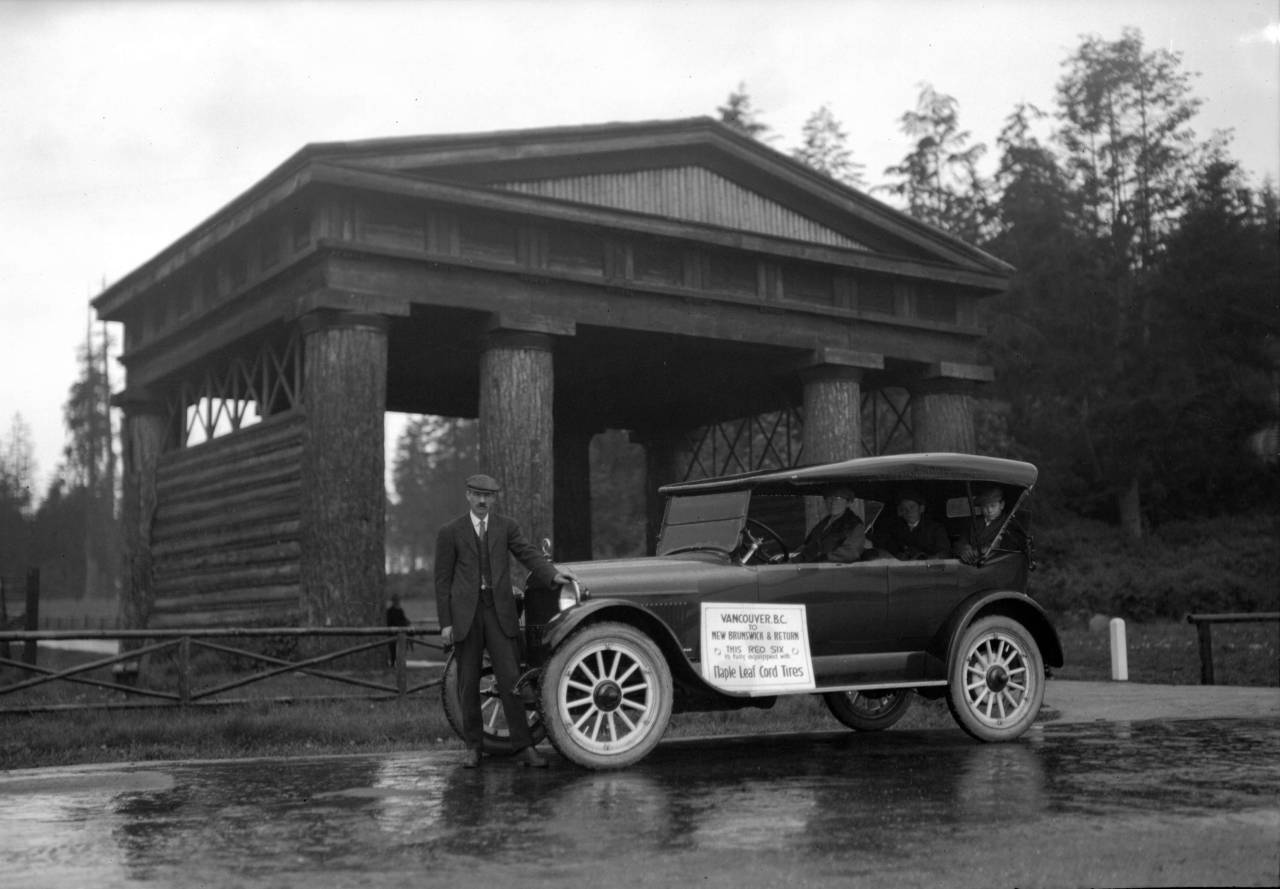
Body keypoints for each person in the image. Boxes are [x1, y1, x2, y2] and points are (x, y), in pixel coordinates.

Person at [435, 473, 574, 769]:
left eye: (488, 496)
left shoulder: (506, 527)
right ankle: (473, 747)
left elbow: (527, 553)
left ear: (495, 498)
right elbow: (442, 581)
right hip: (466, 617)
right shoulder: (450, 532)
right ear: (468, 496)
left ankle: (524, 747)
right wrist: (446, 624)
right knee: (467, 683)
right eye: (476, 494)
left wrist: (552, 575)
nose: (482, 500)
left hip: (500, 614)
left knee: (512, 681)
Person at [870, 488, 950, 560]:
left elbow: (944, 553)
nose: (908, 512)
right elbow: (882, 550)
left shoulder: (936, 529)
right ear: (900, 512)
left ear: (921, 509)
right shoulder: (893, 530)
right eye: (904, 509)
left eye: (912, 507)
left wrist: (927, 559)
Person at [954, 485, 1025, 564]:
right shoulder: (974, 522)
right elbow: (961, 541)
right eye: (985, 506)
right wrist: (963, 548)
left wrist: (976, 552)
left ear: (1002, 505)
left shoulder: (1008, 524)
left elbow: (999, 549)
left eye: (993, 506)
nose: (989, 510)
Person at [794, 486, 866, 563]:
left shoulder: (855, 526)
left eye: (838, 499)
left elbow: (850, 553)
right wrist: (792, 560)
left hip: (835, 571)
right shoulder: (823, 524)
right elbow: (806, 546)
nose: (833, 502)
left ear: (848, 502)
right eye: (829, 498)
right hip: (810, 567)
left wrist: (822, 559)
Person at [385, 594, 411, 667]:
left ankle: (400, 664)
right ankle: (393, 663)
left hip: (400, 633)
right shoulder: (390, 611)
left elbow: (403, 620)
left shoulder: (400, 611)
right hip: (393, 634)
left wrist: (406, 623)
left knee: (401, 650)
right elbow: (390, 622)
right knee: (393, 650)